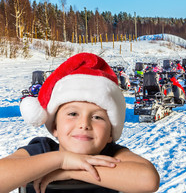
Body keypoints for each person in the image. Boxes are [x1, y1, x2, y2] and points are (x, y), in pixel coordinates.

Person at [0, 53, 160, 193]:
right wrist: (61, 160)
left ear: (111, 133)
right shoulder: (41, 150)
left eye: (97, 117)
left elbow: (148, 180)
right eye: (73, 114)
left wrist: (70, 170)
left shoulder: (113, 155)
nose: (84, 124)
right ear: (54, 126)